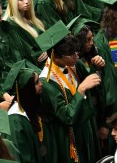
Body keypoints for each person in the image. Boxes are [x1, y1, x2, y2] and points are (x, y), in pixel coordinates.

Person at [36, 21, 101, 163]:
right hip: (69, 138)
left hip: (86, 128)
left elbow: (92, 81)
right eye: (71, 55)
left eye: (77, 53)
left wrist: (97, 67)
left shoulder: (73, 64)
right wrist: (81, 89)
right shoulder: (47, 83)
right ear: (56, 57)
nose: (77, 57)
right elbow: (66, 116)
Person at [2, 60, 49, 163]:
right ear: (28, 90)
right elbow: (21, 156)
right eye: (36, 83)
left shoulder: (33, 105)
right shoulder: (15, 120)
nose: (41, 84)